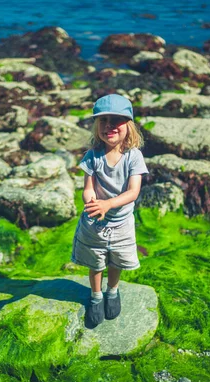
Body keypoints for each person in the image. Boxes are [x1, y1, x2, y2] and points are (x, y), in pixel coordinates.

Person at [71, 94, 149, 327]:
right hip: (95, 221)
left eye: (116, 120)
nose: (109, 126)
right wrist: (92, 203)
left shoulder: (133, 156)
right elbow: (88, 188)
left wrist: (108, 204)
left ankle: (112, 291)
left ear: (129, 125)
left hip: (122, 222)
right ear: (97, 126)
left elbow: (133, 192)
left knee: (116, 260)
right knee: (96, 262)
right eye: (103, 120)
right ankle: (96, 296)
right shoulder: (92, 156)